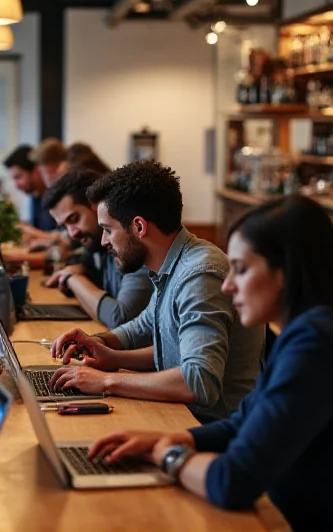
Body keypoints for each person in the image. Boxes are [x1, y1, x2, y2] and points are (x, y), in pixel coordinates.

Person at [88, 195, 333, 531]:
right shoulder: (312, 330)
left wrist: (167, 455)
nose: (228, 285)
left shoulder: (317, 344)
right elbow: (244, 421)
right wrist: (179, 439)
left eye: (242, 269)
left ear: (286, 271)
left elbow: (232, 481)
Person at [49, 161, 264, 423]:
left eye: (108, 230)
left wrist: (106, 380)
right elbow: (146, 327)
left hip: (211, 430)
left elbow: (199, 382)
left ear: (138, 227)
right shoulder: (173, 264)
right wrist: (102, 345)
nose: (104, 241)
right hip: (183, 417)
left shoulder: (199, 274)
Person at [41, 168, 152, 329]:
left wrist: (73, 279)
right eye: (65, 226)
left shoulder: (133, 245)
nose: (72, 233)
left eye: (74, 219)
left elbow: (121, 320)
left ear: (97, 207)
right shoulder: (95, 246)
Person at [2, 144, 58, 246]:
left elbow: (66, 238)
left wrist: (31, 231)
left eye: (18, 177)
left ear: (35, 171)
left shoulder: (56, 196)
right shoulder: (35, 196)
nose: (16, 184)